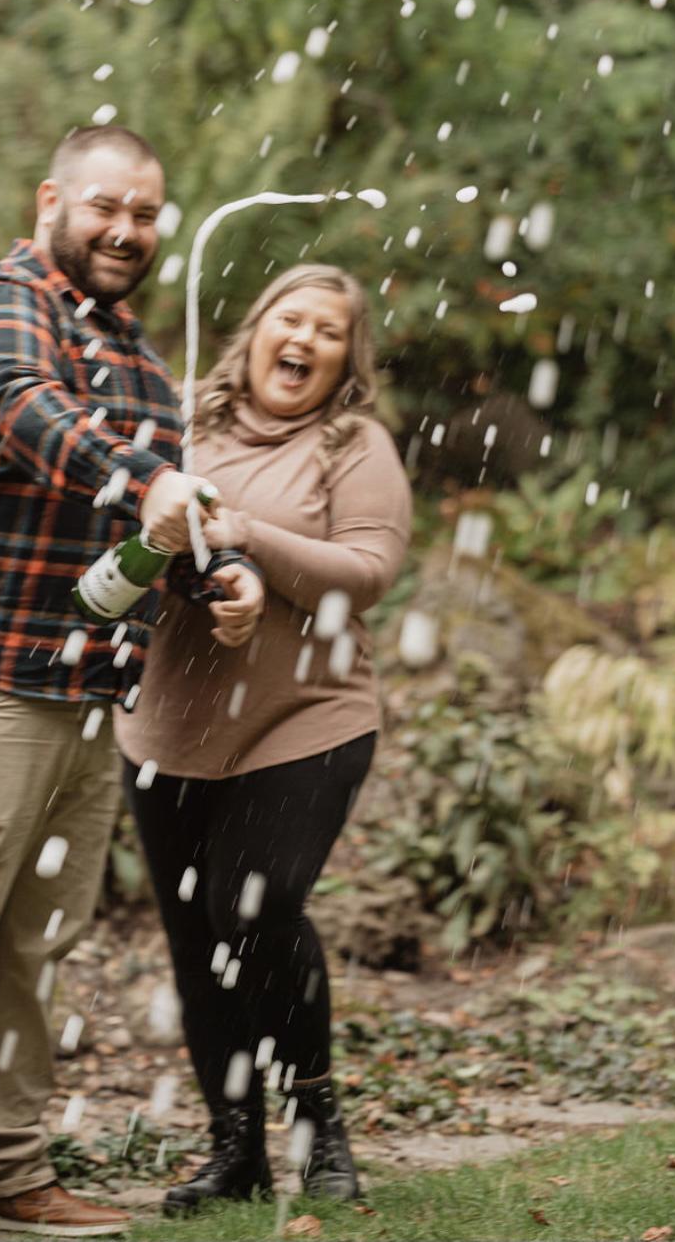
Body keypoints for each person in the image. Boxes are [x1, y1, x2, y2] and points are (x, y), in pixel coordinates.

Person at [0, 124, 265, 1242]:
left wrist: (216, 577)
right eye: (105, 206)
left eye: (145, 213)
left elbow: (156, 521)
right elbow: (25, 408)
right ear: (51, 201)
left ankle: (5, 1168)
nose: (126, 230)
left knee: (34, 943)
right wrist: (145, 481)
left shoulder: (139, 359)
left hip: (81, 685)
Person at [114, 263, 412, 1213]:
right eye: (291, 318)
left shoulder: (352, 444)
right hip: (167, 725)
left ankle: (318, 1125)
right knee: (197, 940)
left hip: (306, 718)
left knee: (257, 903)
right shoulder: (176, 425)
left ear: (347, 359)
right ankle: (235, 1151)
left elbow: (366, 572)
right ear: (254, 333)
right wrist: (191, 559)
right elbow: (125, 538)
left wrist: (247, 536)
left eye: (329, 330)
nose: (305, 339)